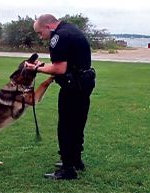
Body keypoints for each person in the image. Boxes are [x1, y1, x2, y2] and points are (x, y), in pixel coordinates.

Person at [25, 14, 96, 180]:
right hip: (84, 84)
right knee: (77, 124)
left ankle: (67, 169)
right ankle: (76, 161)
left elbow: (59, 68)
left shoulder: (58, 37)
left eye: (40, 33)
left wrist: (36, 69)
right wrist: (43, 66)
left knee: (66, 127)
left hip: (73, 87)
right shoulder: (71, 29)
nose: (40, 37)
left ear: (48, 27)